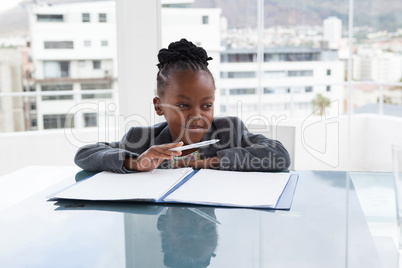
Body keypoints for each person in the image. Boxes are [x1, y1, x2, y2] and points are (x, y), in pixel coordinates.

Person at [74, 38, 290, 173]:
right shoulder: (140, 140)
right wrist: (136, 162)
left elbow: (279, 155)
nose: (197, 115)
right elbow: (84, 154)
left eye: (206, 106)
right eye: (184, 106)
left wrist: (204, 162)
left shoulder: (229, 131)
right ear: (159, 106)